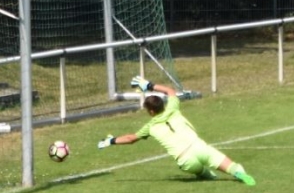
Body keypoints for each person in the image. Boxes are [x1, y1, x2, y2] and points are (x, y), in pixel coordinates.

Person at [97, 76, 256, 186]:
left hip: (184, 160)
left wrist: (111, 140)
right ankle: (239, 174)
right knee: (231, 166)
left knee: (198, 170)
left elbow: (131, 138)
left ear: (151, 111)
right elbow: (170, 91)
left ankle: (204, 173)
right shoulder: (173, 108)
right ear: (162, 105)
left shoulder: (150, 126)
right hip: (199, 147)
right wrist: (149, 85)